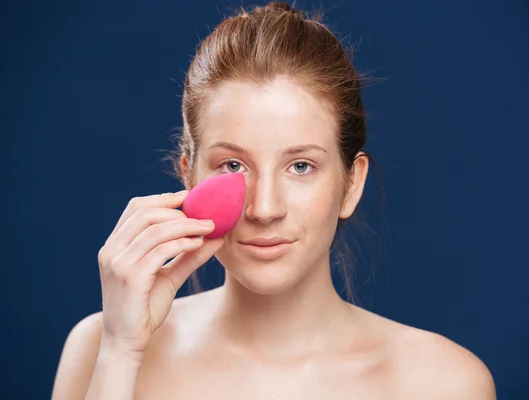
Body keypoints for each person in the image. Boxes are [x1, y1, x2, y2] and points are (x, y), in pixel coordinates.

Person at [51, 2, 496, 399]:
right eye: (232, 166)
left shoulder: (443, 383)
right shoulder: (99, 349)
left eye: (300, 166)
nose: (264, 209)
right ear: (188, 176)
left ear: (351, 184)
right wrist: (122, 352)